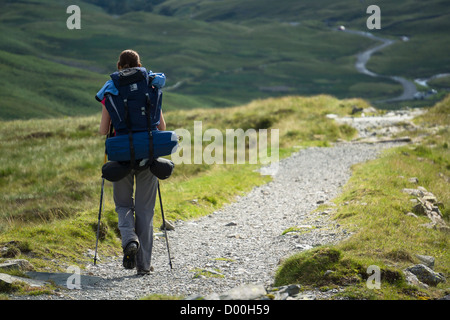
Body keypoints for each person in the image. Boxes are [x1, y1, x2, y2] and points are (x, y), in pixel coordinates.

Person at [98, 49, 166, 275]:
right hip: (148, 153)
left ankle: (129, 240)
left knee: (123, 205)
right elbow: (161, 127)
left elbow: (102, 130)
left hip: (121, 156)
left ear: (119, 66)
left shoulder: (111, 89)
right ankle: (144, 266)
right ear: (140, 64)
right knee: (145, 211)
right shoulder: (151, 85)